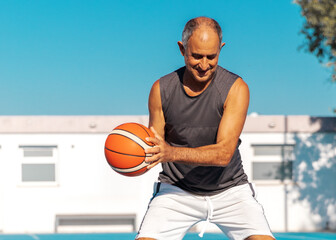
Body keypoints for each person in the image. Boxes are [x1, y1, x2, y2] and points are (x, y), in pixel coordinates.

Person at [136, 17, 275, 240]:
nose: (204, 64)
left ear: (221, 49)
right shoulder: (161, 89)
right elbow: (154, 146)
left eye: (211, 56)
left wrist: (169, 152)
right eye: (196, 56)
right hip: (176, 190)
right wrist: (134, 155)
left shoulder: (235, 89)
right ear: (182, 49)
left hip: (230, 190)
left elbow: (223, 154)